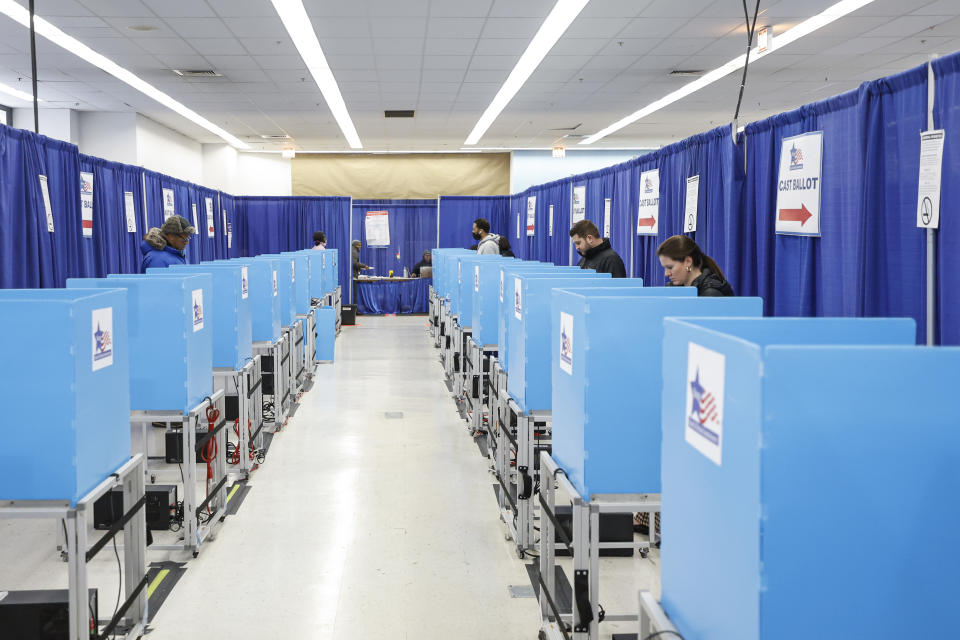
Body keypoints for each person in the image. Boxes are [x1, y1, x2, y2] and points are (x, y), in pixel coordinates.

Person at [657, 235, 734, 296]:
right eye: (665, 268)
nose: (666, 274)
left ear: (688, 261)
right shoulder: (673, 290)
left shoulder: (711, 294)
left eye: (670, 267)